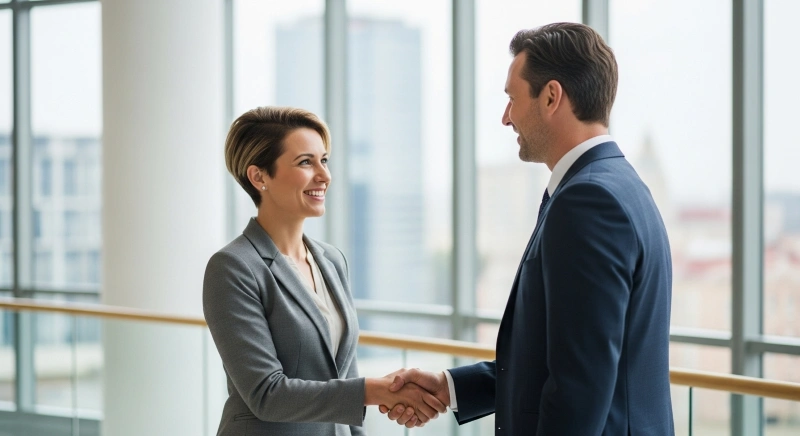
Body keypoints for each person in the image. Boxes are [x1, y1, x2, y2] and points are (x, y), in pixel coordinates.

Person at [381, 22, 674, 435]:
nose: (506, 118)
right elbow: (565, 358)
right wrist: (450, 388)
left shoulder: (587, 202)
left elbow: (578, 387)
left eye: (511, 99)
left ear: (551, 96)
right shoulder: (619, 184)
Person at [203, 106, 445, 436]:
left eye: (324, 160)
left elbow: (345, 372)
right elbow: (266, 394)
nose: (324, 175)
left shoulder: (331, 261)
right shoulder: (233, 267)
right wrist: (374, 390)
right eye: (306, 162)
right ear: (259, 177)